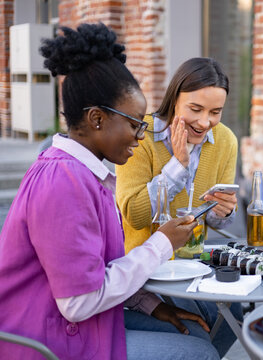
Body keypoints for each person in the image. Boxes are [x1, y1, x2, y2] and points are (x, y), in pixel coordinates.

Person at [0, 23, 220, 360]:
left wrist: (152, 306)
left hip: (78, 324)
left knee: (197, 329)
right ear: (97, 119)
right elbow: (79, 302)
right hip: (48, 340)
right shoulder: (63, 182)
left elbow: (99, 268)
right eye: (134, 124)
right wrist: (161, 243)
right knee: (198, 354)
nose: (141, 136)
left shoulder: (84, 174)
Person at [115, 57, 241, 357]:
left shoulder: (225, 142)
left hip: (192, 265)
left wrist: (223, 212)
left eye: (215, 112)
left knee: (237, 311)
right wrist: (177, 166)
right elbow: (133, 214)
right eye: (195, 109)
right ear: (174, 99)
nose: (204, 122)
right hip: (143, 271)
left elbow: (215, 221)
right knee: (197, 337)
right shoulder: (141, 134)